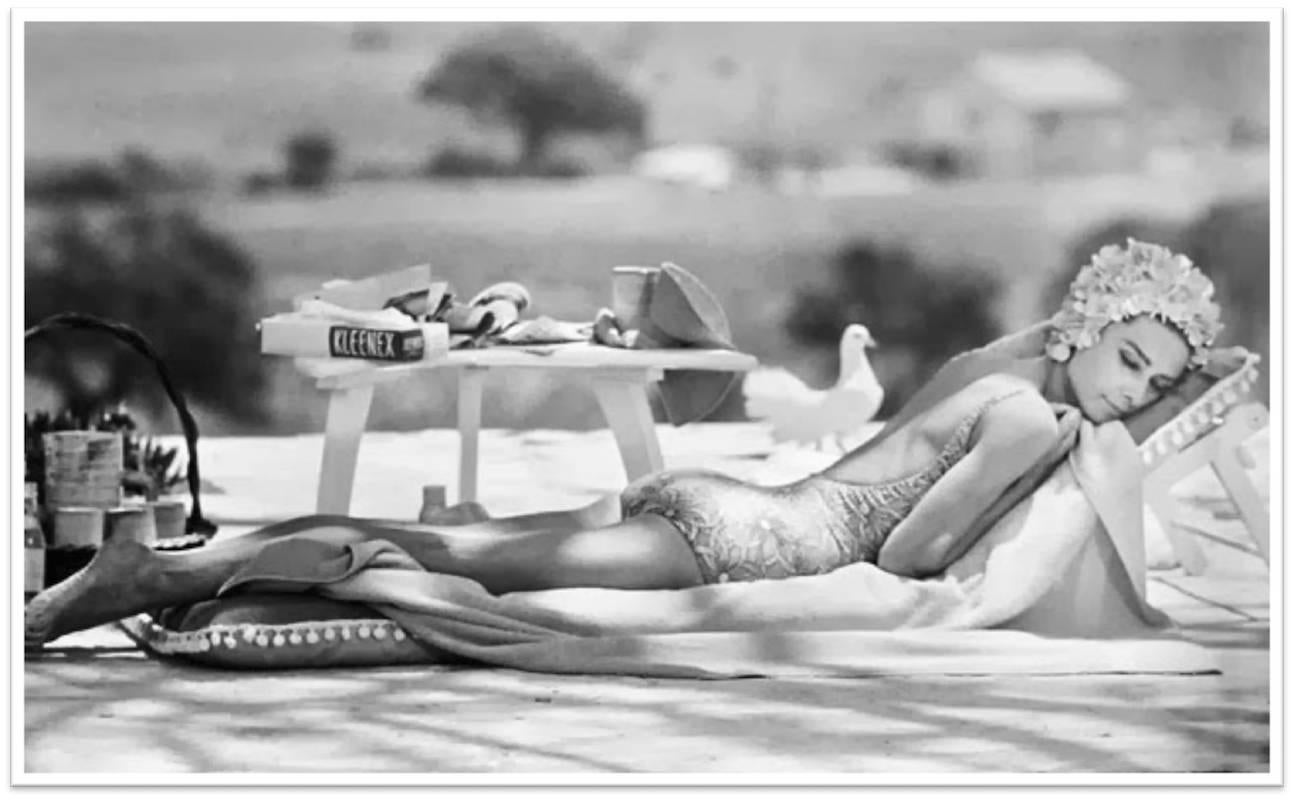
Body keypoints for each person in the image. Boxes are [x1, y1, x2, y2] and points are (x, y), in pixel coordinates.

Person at [24, 239, 1223, 647]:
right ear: (1084, 327)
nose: (1130, 398)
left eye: (1158, 386)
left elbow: (1083, 348)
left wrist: (1177, 379)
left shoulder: (1000, 363)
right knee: (458, 555)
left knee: (453, 541)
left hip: (731, 496)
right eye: (1131, 364)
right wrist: (1044, 472)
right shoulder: (1031, 413)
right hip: (748, 541)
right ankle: (166, 571)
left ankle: (191, 568)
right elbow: (912, 548)